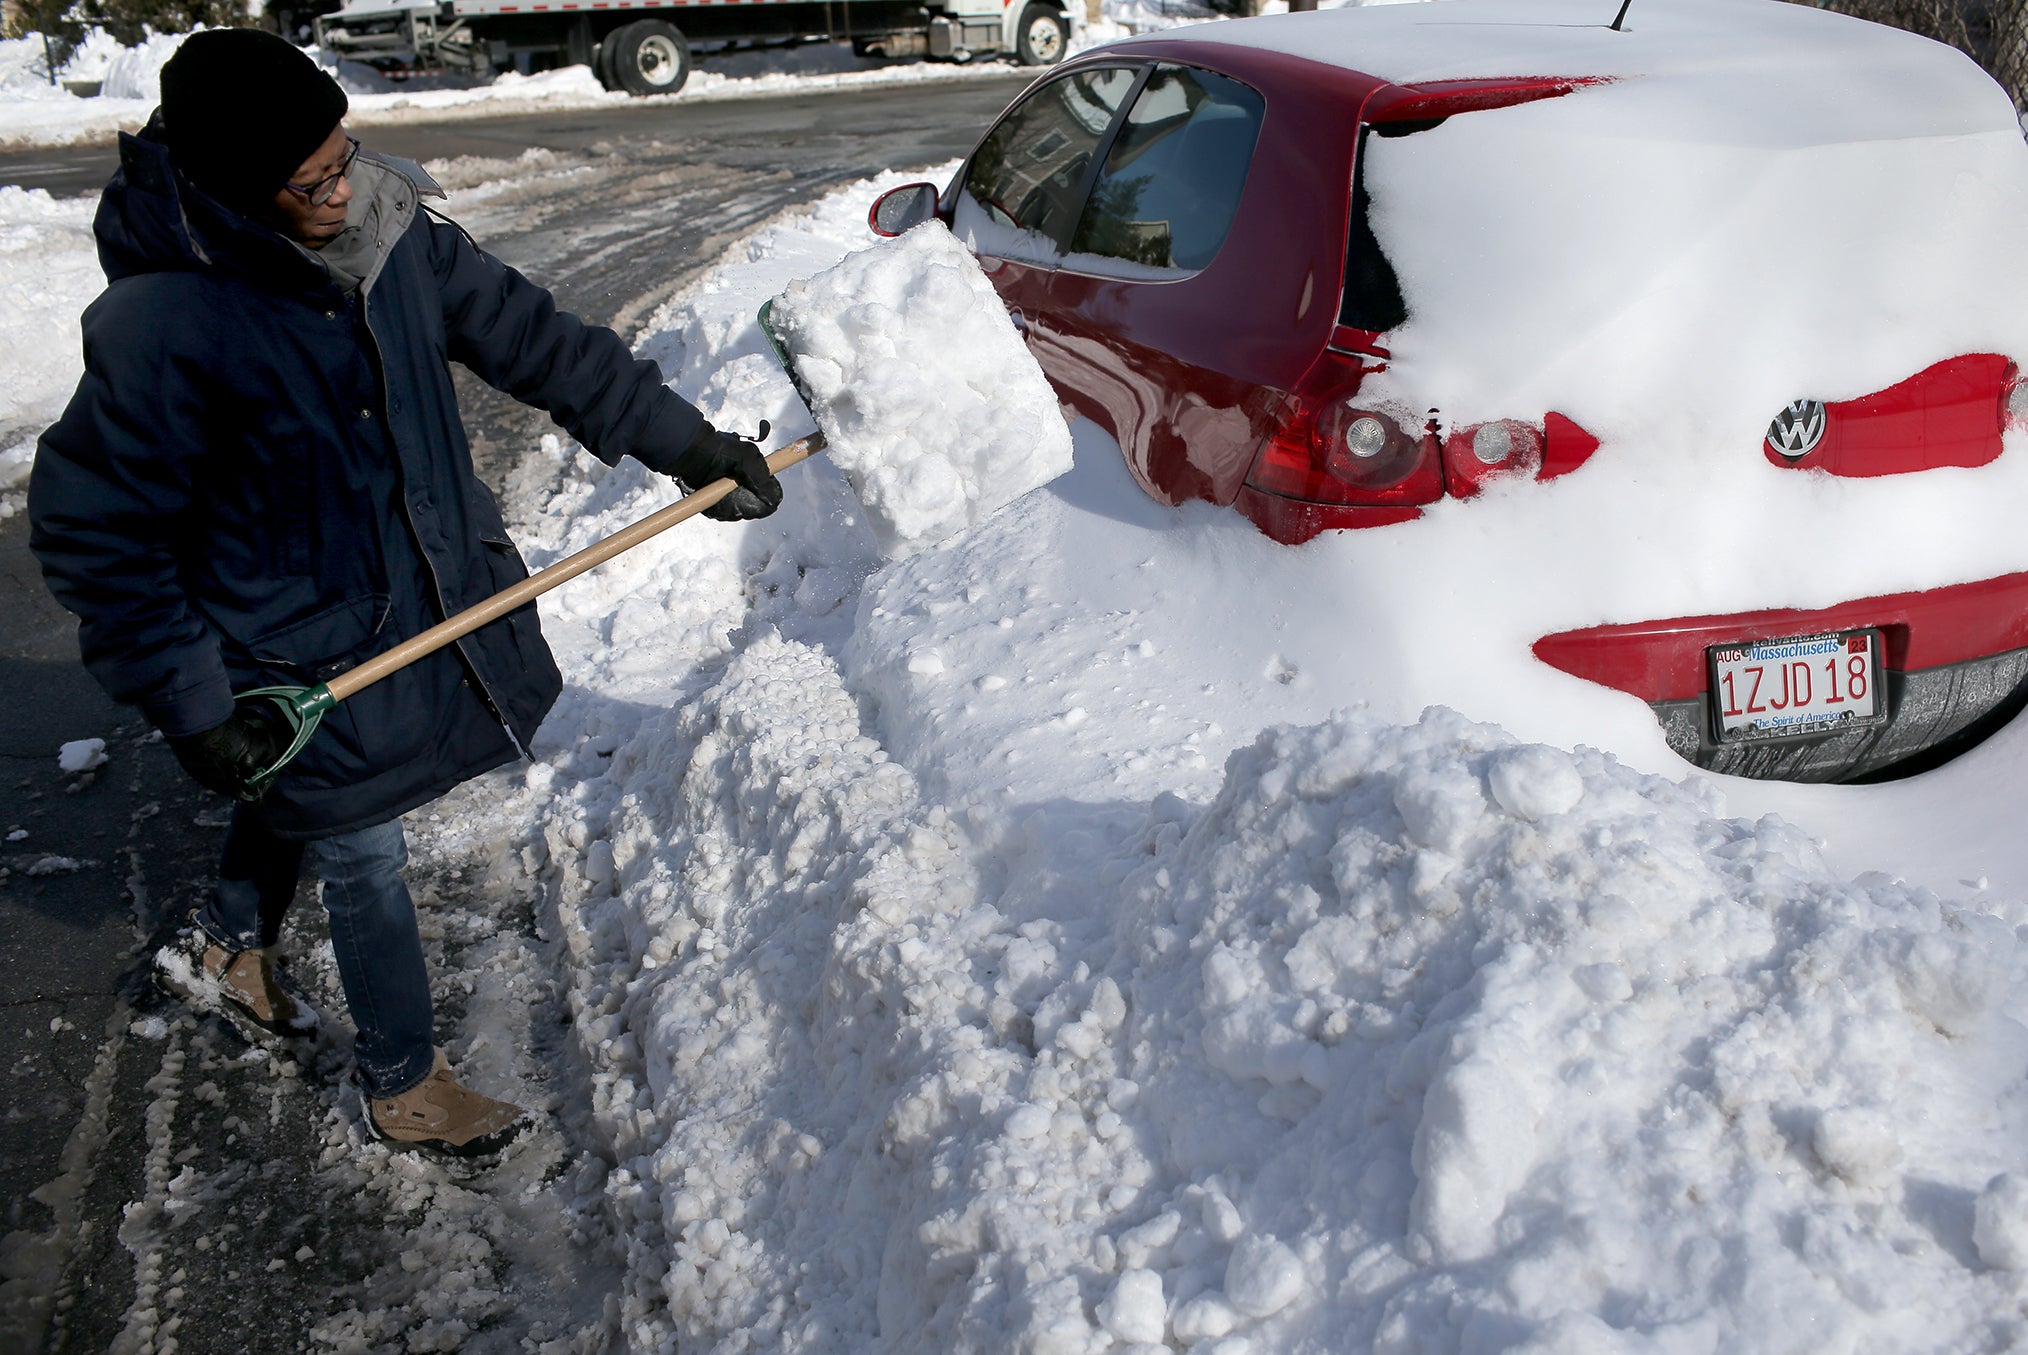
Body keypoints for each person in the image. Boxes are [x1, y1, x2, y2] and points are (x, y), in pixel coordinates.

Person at [28, 28, 783, 1158]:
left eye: (346, 153)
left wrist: (688, 445)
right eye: (312, 178)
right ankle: (402, 1082)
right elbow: (98, 532)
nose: (345, 186)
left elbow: (544, 346)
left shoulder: (392, 240)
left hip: (410, 585)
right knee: (361, 836)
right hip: (277, 634)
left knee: (293, 767)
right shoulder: (169, 325)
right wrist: (192, 703)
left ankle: (232, 939)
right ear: (240, 188)